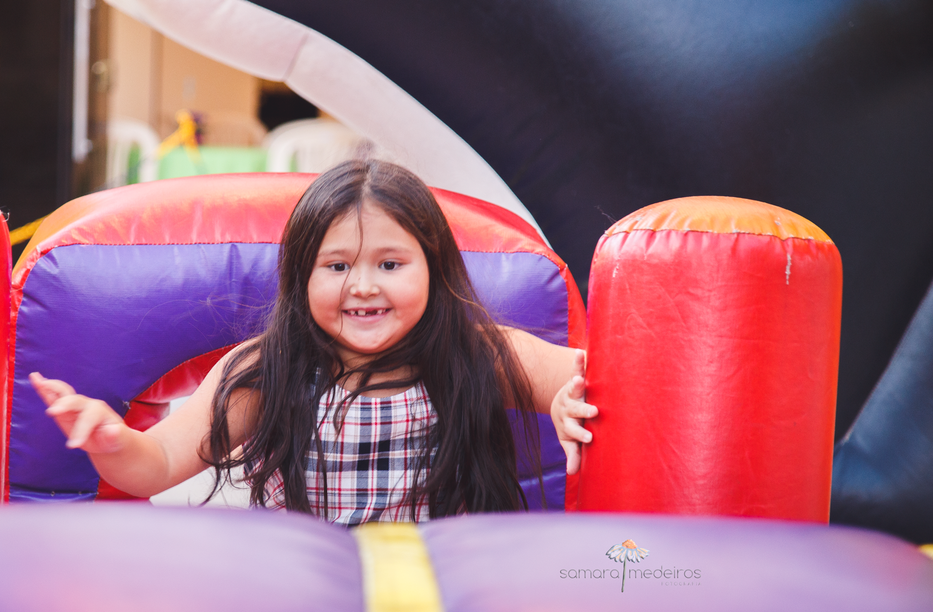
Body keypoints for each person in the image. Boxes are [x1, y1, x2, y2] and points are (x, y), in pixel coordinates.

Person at [31, 160, 596, 525]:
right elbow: (159, 462)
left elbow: (584, 376)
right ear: (301, 277)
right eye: (336, 265)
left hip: (436, 591)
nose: (364, 285)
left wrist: (570, 399)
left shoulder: (475, 352)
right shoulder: (264, 371)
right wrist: (113, 442)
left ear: (435, 269)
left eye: (391, 263)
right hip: (311, 593)